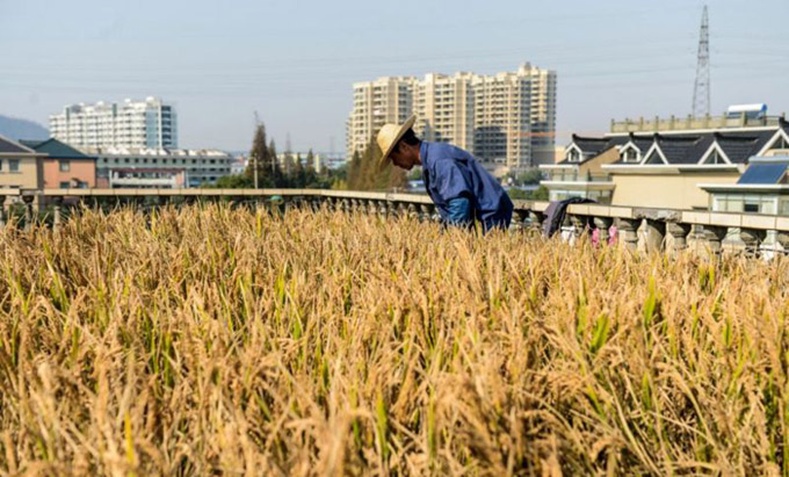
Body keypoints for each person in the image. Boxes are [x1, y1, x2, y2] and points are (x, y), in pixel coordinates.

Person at [376, 115, 513, 232]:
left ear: (404, 148)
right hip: (482, 218)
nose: (395, 164)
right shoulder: (430, 163)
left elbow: (459, 203)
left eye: (394, 158)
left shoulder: (439, 161)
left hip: (490, 219)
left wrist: (451, 239)